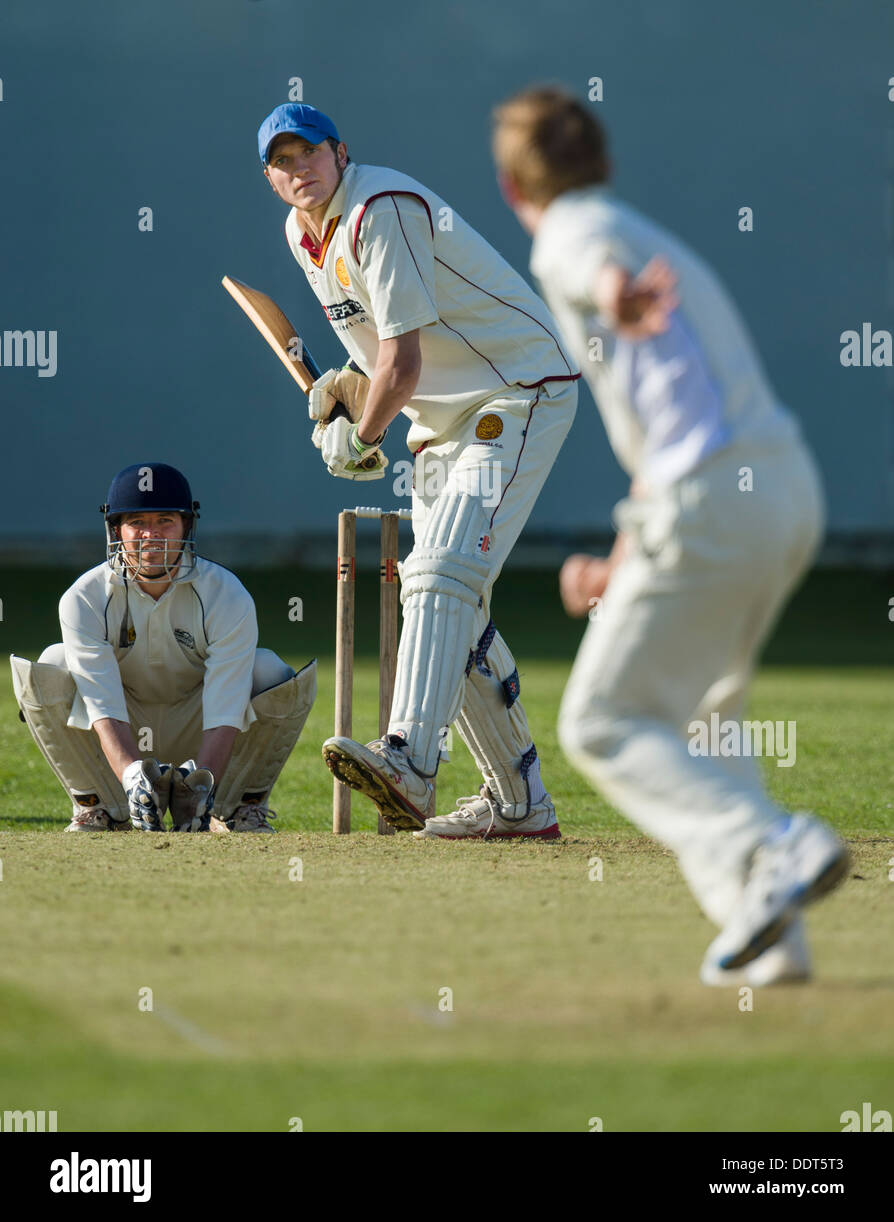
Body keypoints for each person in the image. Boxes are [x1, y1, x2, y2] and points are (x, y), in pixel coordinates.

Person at [491, 85, 848, 983]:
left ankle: (777, 845)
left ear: (510, 187)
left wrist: (614, 297)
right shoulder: (653, 235)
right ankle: (771, 938)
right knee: (702, 724)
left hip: (712, 502)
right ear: (602, 159)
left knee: (604, 723)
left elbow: (590, 265)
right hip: (780, 490)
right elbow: (680, 415)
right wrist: (624, 557)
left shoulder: (575, 234)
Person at [257, 101, 580, 837]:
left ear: (340, 152)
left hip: (516, 390)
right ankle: (519, 806)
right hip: (439, 425)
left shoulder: (381, 207)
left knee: (438, 575)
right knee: (447, 605)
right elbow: (381, 346)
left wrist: (363, 436)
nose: (297, 168)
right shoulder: (304, 233)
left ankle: (408, 760)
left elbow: (401, 362)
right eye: (281, 161)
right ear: (270, 178)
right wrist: (344, 382)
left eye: (308, 152)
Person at [10, 462, 315, 833]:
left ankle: (234, 808)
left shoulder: (225, 594)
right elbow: (102, 703)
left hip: (197, 719)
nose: (151, 535)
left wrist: (203, 785)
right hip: (125, 718)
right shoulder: (85, 597)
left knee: (270, 672)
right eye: (137, 522)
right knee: (51, 664)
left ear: (187, 526)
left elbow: (225, 703)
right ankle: (101, 806)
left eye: (165, 521)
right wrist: (129, 777)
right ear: (116, 529)